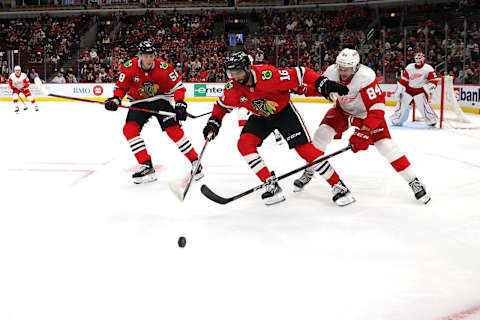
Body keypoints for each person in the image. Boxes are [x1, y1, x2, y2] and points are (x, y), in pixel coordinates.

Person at [202, 51, 354, 206]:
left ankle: (339, 186)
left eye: (238, 72)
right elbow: (221, 106)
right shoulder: (232, 88)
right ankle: (271, 184)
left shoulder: (269, 75)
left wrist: (322, 83)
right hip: (260, 116)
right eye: (231, 73)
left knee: (305, 150)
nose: (235, 77)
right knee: (244, 144)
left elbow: (301, 73)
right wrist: (214, 121)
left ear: (248, 68)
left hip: (283, 112)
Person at [293, 48, 431, 204]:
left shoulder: (365, 77)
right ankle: (309, 170)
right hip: (342, 111)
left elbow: (377, 108)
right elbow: (324, 89)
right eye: (341, 67)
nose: (343, 72)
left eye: (347, 69)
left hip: (366, 115)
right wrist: (305, 89)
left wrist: (365, 131)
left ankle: (413, 180)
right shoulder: (332, 71)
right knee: (320, 136)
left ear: (356, 67)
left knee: (386, 146)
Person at [104, 40, 203, 184]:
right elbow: (121, 87)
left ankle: (195, 161)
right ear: (140, 56)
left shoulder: (164, 68)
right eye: (145, 55)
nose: (148, 59)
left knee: (173, 130)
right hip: (139, 102)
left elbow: (178, 88)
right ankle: (146, 164)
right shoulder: (129, 67)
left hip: (160, 99)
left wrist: (180, 104)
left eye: (151, 55)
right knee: (129, 130)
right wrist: (116, 100)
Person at [390, 52, 439, 127]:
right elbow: (404, 80)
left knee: (423, 106)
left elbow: (434, 81)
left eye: (420, 58)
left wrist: (428, 87)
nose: (418, 60)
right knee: (402, 105)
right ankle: (397, 120)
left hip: (420, 91)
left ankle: (431, 120)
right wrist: (398, 91)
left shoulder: (428, 68)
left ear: (423, 59)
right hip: (408, 90)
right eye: (416, 58)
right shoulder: (410, 67)